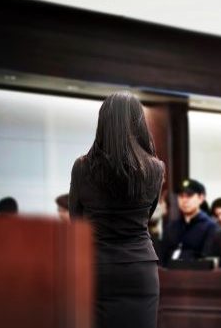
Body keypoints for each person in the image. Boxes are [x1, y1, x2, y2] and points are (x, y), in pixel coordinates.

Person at [68, 91, 164, 328]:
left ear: (103, 122)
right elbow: (148, 214)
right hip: (140, 269)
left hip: (96, 268)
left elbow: (76, 221)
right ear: (139, 121)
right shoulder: (155, 169)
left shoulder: (82, 167)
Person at [161, 179, 218, 266]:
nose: (184, 200)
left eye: (189, 196)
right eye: (181, 196)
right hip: (168, 274)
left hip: (194, 275)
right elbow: (162, 256)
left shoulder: (210, 227)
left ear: (201, 198)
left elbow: (206, 259)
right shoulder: (171, 226)